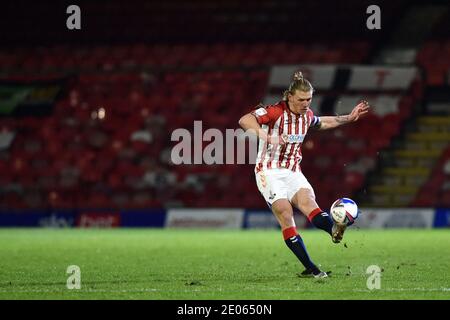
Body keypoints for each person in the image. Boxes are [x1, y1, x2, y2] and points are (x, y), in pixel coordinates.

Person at [238, 71, 369, 278]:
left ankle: (335, 230)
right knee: (285, 212)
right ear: (290, 97)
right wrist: (267, 136)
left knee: (310, 205)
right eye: (301, 99)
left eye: (309, 99)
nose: (306, 103)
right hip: (269, 170)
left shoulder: (306, 116)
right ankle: (311, 268)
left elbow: (323, 122)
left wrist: (348, 118)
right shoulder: (274, 112)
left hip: (293, 171)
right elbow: (245, 120)